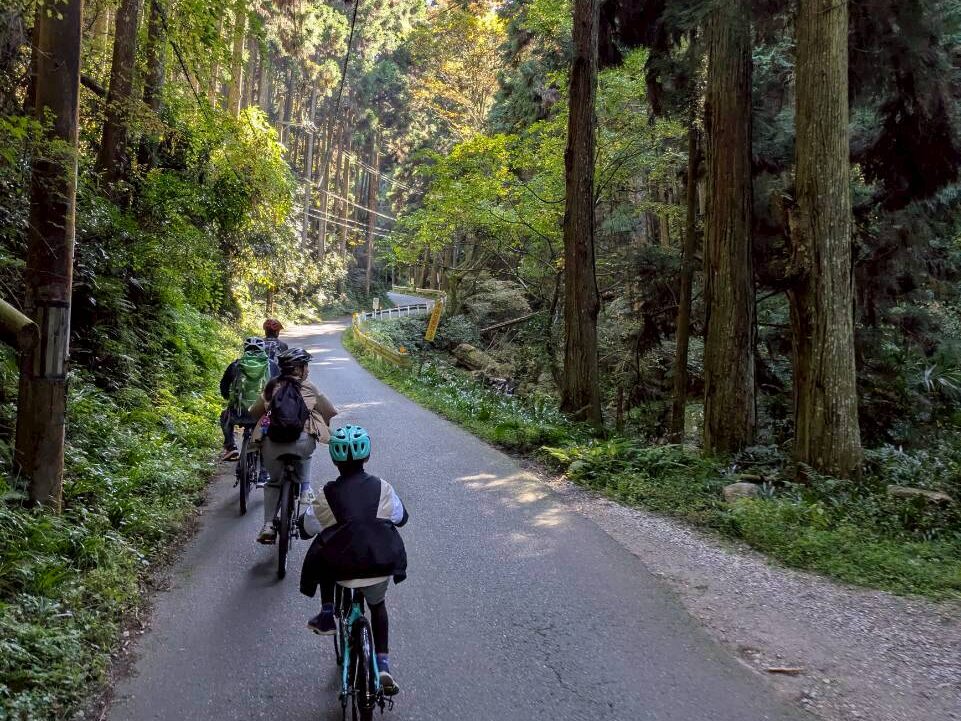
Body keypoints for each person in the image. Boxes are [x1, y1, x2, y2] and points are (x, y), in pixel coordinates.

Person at [298, 426, 408, 696]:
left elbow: (307, 528)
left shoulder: (328, 494)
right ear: (366, 456)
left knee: (324, 545)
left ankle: (327, 612)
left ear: (334, 460)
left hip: (341, 570)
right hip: (380, 564)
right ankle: (383, 665)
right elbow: (401, 518)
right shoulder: (383, 487)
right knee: (378, 606)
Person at [249, 347, 337, 544]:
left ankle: (268, 525)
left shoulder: (271, 386)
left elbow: (254, 412)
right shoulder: (310, 387)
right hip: (302, 443)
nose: (308, 370)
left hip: (272, 444)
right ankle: (305, 488)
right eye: (306, 366)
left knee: (274, 482)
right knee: (306, 455)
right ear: (299, 369)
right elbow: (330, 411)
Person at [219, 337, 279, 462]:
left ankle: (231, 447)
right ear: (263, 349)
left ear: (245, 349)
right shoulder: (272, 366)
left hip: (239, 414)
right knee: (273, 422)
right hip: (263, 414)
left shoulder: (235, 365)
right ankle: (267, 452)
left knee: (224, 416)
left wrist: (228, 398)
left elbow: (224, 385)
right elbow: (280, 387)